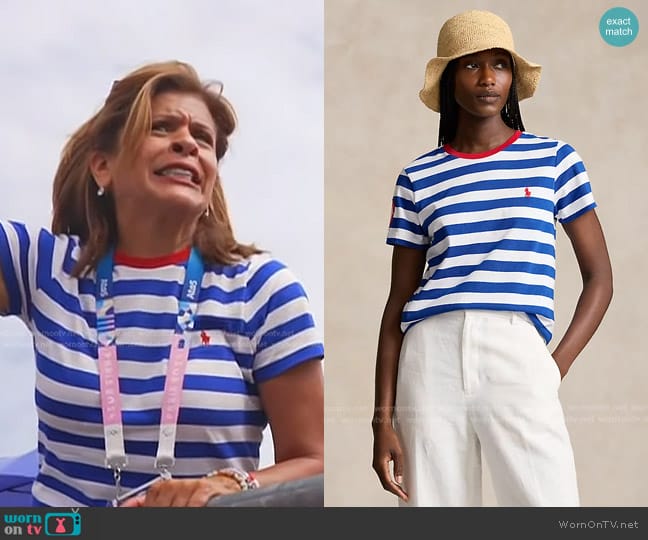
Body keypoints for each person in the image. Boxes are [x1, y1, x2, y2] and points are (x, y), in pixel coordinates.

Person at [0, 60, 324, 507]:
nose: (187, 142)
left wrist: (228, 485)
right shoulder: (39, 264)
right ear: (102, 167)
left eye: (203, 139)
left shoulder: (263, 291)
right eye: (161, 127)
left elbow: (318, 459)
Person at [372, 10, 613, 507]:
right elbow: (398, 301)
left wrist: (554, 367)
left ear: (512, 77)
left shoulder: (553, 160)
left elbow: (600, 279)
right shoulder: (418, 177)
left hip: (517, 349)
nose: (487, 79)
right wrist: (383, 419)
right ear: (447, 80)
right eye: (471, 65)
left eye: (500, 65)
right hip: (429, 356)